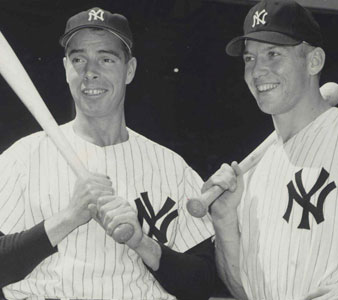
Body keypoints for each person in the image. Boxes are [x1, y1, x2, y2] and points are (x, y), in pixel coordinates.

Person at [0, 7, 218, 300]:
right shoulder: (22, 158)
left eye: (106, 59)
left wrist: (141, 242)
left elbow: (202, 284)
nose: (90, 72)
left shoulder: (171, 167)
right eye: (78, 59)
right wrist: (69, 217)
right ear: (66, 68)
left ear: (129, 70)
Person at [204, 0, 338, 299]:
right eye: (249, 58)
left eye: (273, 54)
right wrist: (224, 221)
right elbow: (243, 291)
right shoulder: (252, 174)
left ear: (313, 61)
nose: (258, 70)